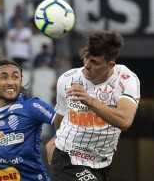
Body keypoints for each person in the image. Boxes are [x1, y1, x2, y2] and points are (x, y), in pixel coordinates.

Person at [46, 30, 140, 181]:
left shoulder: (126, 79)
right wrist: (55, 139)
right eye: (86, 58)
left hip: (102, 164)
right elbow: (61, 116)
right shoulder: (67, 79)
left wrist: (90, 101)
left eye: (94, 62)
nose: (87, 65)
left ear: (110, 65)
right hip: (68, 159)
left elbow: (125, 120)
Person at [0, 59, 55, 181]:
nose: (10, 82)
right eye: (4, 77)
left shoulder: (32, 106)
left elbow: (68, 122)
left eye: (15, 77)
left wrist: (54, 140)